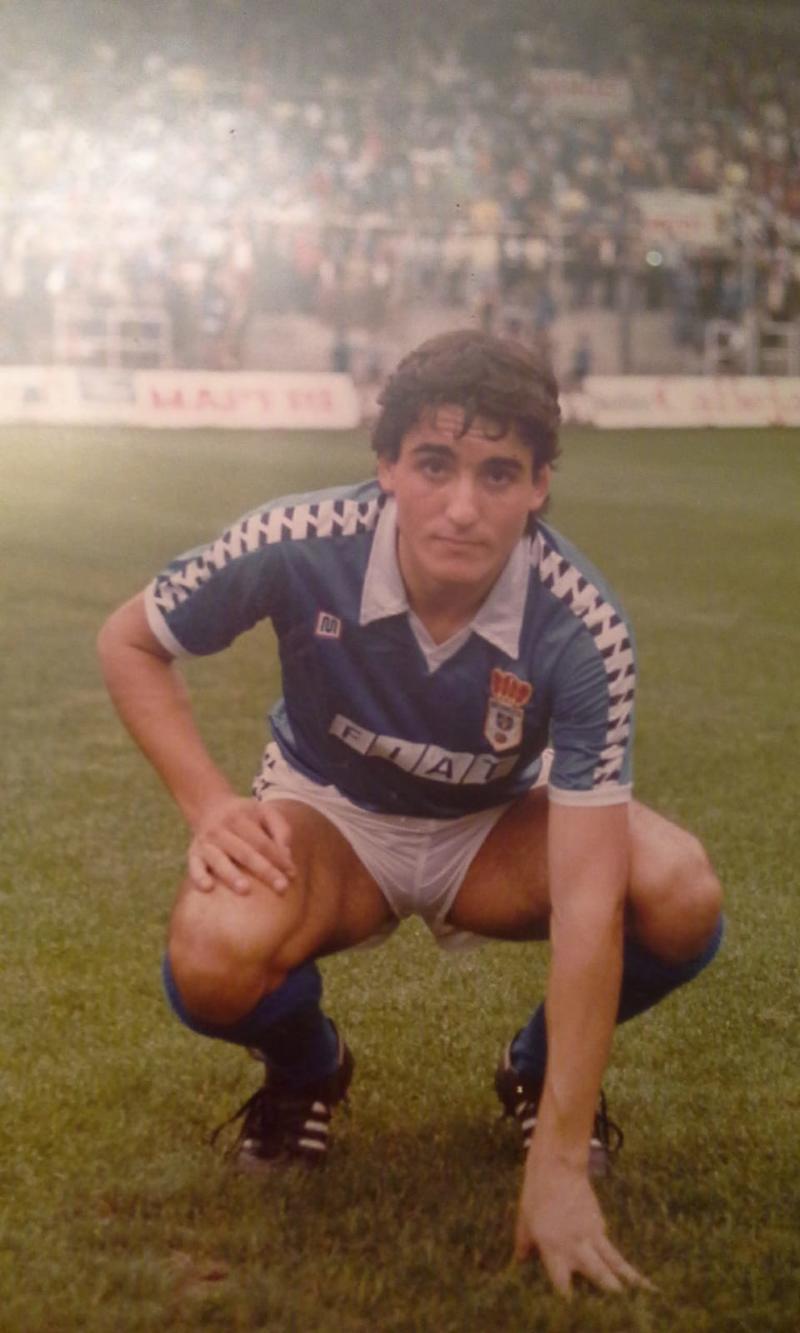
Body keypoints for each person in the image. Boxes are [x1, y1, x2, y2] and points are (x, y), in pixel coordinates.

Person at [97, 329, 723, 1298]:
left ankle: (535, 1072)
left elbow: (587, 904)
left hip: (493, 830)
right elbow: (129, 640)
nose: (462, 506)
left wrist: (557, 1163)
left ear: (538, 484)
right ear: (386, 463)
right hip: (331, 818)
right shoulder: (297, 540)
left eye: (498, 473)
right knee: (213, 952)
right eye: (434, 464)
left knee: (678, 891)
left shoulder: (582, 625)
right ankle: (308, 1068)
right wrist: (210, 804)